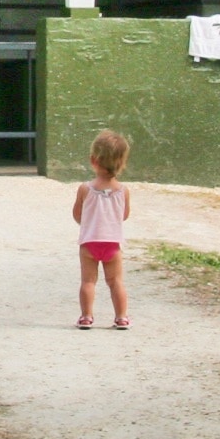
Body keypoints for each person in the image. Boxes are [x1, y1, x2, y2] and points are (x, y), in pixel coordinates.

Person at [73, 129, 133, 330]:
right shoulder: (123, 191)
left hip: (89, 243)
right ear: (121, 163)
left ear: (93, 160)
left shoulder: (85, 189)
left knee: (88, 282)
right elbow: (124, 215)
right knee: (116, 282)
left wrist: (89, 222)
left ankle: (86, 317)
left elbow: (77, 215)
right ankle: (121, 317)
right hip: (113, 244)